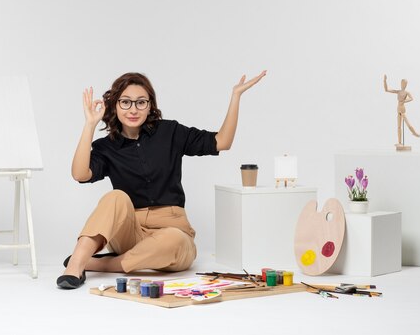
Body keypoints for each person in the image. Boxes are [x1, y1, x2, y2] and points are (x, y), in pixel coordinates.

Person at [57, 70, 267, 289]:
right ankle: (76, 264)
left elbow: (222, 141)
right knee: (115, 197)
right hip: (130, 232)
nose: (133, 109)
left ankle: (102, 265)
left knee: (175, 241)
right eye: (126, 102)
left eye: (141, 102)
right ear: (115, 105)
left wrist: (235, 96)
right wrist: (89, 125)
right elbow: (80, 174)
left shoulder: (170, 132)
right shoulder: (107, 147)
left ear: (150, 106)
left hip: (172, 233)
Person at [383, 74, 420, 147]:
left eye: (404, 84)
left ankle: (414, 132)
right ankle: (399, 142)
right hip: (398, 109)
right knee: (399, 126)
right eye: (402, 83)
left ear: (406, 85)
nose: (403, 85)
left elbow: (411, 98)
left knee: (407, 122)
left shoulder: (407, 92)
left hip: (402, 108)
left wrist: (405, 101)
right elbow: (386, 90)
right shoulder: (398, 91)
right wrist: (384, 81)